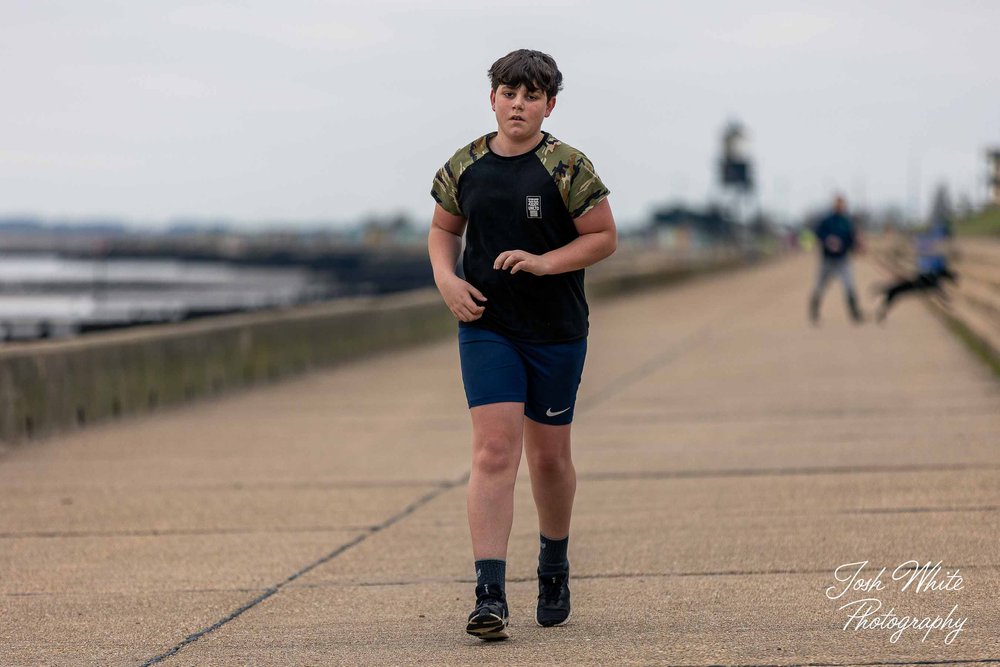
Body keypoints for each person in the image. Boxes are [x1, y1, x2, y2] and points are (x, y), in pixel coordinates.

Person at [427, 49, 617, 641]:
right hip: (486, 326)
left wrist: (544, 262)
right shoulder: (466, 164)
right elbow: (442, 229)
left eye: (532, 95)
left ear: (548, 104)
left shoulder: (567, 166)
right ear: (493, 98)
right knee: (492, 452)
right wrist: (446, 280)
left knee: (549, 458)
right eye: (509, 93)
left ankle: (554, 563)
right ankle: (489, 595)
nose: (518, 104)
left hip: (556, 330)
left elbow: (604, 237)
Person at [874, 218, 958, 323]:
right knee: (895, 290)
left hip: (924, 276)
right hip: (924, 276)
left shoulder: (930, 244)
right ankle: (883, 299)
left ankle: (882, 297)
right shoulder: (931, 245)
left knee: (896, 290)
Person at [809, 194, 864, 324]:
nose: (840, 206)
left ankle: (855, 313)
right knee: (820, 285)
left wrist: (857, 246)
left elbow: (851, 239)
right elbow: (818, 233)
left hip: (842, 259)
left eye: (842, 204)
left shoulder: (847, 222)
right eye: (838, 204)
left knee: (849, 285)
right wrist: (828, 240)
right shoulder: (826, 220)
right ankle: (814, 311)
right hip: (828, 259)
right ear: (834, 205)